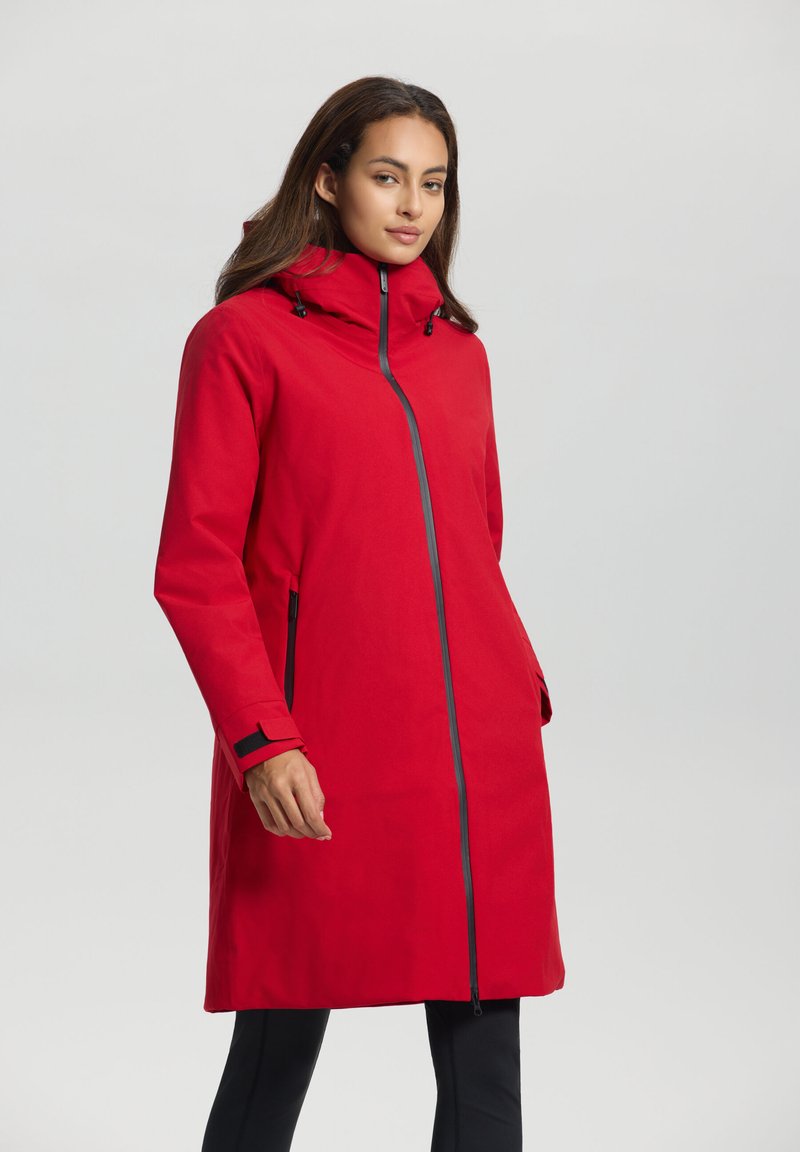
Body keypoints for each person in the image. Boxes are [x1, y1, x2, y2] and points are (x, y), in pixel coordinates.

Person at [154, 75, 565, 1151]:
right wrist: (261, 738)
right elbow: (196, 567)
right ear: (329, 179)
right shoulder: (241, 340)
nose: (413, 204)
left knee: (485, 1046)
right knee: (280, 1025)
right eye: (388, 176)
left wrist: (514, 689)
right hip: (317, 746)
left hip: (474, 750)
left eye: (434, 182)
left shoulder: (460, 356)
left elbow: (474, 548)